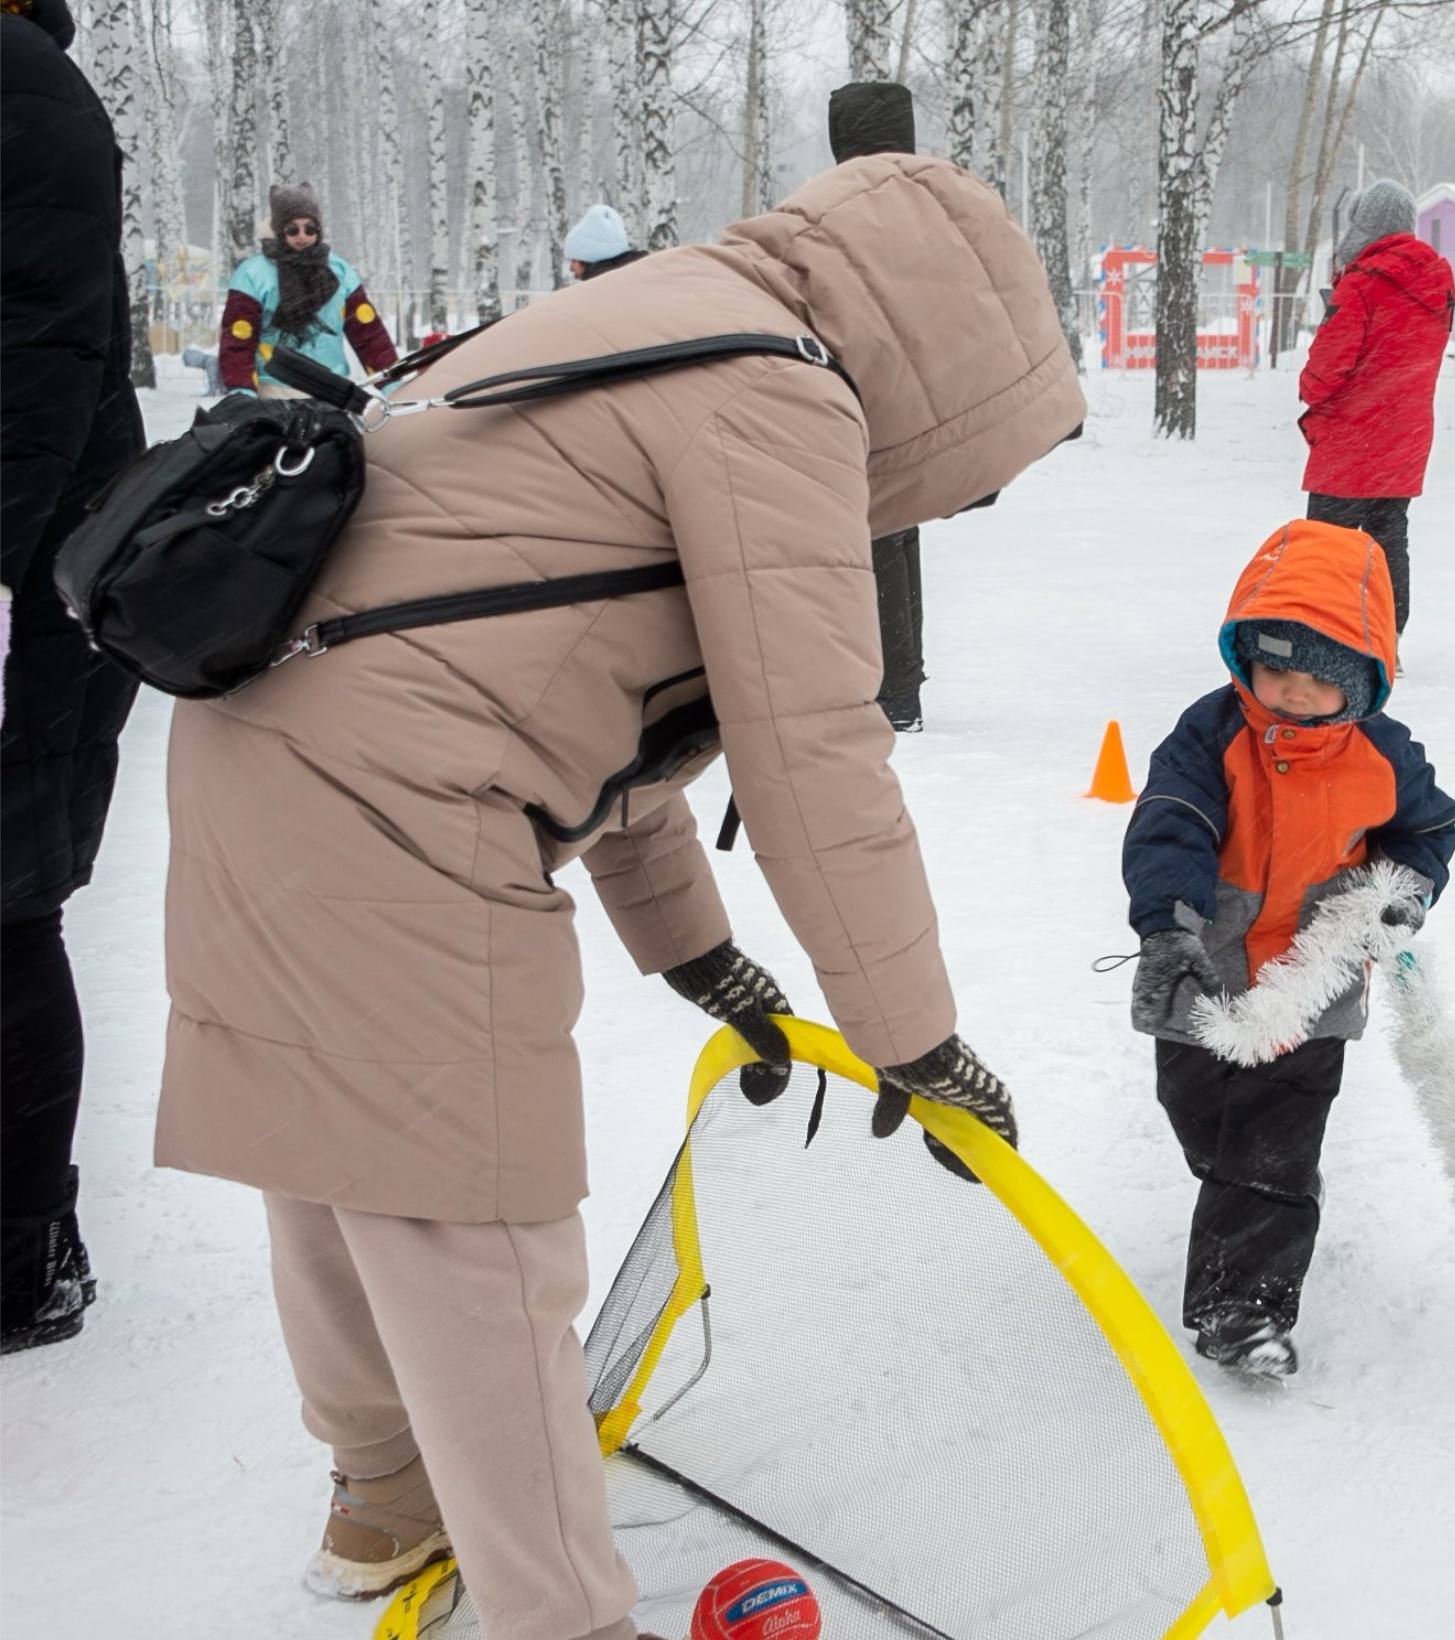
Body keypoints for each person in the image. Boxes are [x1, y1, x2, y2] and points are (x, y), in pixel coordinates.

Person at [154, 154, 1084, 1639]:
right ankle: (564, 1617)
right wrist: (915, 1037)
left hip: (254, 741)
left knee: (329, 1161)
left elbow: (587, 685)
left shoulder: (648, 318)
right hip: (401, 803)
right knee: (477, 1230)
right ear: (952, 365)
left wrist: (697, 955)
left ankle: (385, 1495)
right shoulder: (777, 387)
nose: (958, 499)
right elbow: (811, 749)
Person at [1122, 519, 1455, 1380]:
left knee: (1273, 1145)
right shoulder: (1210, 734)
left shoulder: (1385, 754)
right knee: (1203, 1124)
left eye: (1319, 678)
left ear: (1362, 680)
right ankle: (1248, 1187)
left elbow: (1428, 831)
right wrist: (1166, 926)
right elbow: (1171, 826)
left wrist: (1401, 897)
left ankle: (1244, 1306)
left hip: (1317, 984)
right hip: (1208, 969)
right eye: (1275, 667)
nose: (1293, 692)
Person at [1, 0, 148, 1355]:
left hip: (25, 602)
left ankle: (25, 1249)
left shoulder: (26, 94)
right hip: (31, 586)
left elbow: (37, 356)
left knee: (5, 915)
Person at [1297, 180, 1453, 637]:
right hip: (1405, 437)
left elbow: (1325, 373)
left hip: (1351, 440)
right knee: (1388, 539)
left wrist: (1308, 386)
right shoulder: (1438, 280)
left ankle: (1321, 634)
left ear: (1365, 225)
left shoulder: (1363, 283)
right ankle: (1386, 636)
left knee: (1326, 545)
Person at [829, 79, 929, 730]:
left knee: (873, 539)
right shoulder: (930, 202)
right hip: (911, 387)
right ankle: (901, 685)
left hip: (860, 387)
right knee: (897, 534)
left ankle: (890, 692)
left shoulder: (839, 209)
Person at [217, 183, 398, 394]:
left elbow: (369, 334)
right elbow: (239, 339)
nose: (302, 236)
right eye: (292, 229)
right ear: (278, 230)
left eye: (310, 229)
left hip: (330, 389)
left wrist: (391, 380)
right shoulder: (252, 274)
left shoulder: (340, 272)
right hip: (273, 389)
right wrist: (241, 389)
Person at [564, 203, 646, 283]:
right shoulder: (645, 275)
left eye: (575, 260)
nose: (571, 268)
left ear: (593, 256)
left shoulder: (599, 290)